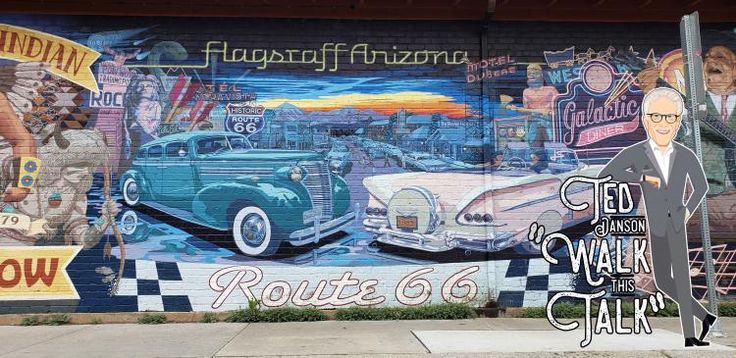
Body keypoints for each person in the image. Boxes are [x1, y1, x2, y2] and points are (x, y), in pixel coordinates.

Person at [598, 87, 717, 347]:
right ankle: (704, 316)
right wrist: (641, 177)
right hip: (652, 222)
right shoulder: (636, 152)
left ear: (678, 122)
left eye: (670, 117)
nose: (663, 124)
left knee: (681, 281)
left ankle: (690, 336)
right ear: (645, 120)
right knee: (663, 281)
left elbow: (701, 186)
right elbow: (606, 175)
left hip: (675, 221)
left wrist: (687, 209)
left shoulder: (685, 155)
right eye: (656, 117)